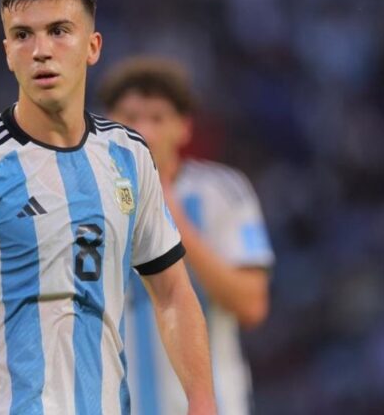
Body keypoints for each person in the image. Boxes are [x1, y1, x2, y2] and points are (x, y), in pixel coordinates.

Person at [0, 0, 216, 415]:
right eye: (22, 35)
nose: (41, 50)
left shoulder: (128, 155)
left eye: (59, 31)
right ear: (8, 54)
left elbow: (173, 292)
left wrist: (202, 399)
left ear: (93, 47)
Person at [98, 56, 275, 415]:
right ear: (107, 125)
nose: (143, 131)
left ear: (184, 128)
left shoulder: (223, 192)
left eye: (157, 118)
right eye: (130, 118)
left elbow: (251, 305)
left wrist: (176, 225)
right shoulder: (86, 198)